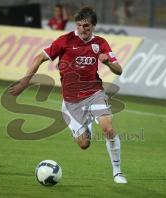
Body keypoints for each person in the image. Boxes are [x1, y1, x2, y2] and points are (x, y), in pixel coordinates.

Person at [9, 6, 127, 184]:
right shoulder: (64, 41)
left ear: (93, 25)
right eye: (79, 25)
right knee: (84, 144)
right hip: (71, 101)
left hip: (94, 93)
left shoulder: (101, 43)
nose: (82, 30)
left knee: (108, 128)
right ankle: (84, 126)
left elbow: (119, 70)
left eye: (86, 26)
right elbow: (38, 59)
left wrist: (108, 62)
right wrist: (25, 82)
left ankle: (117, 173)